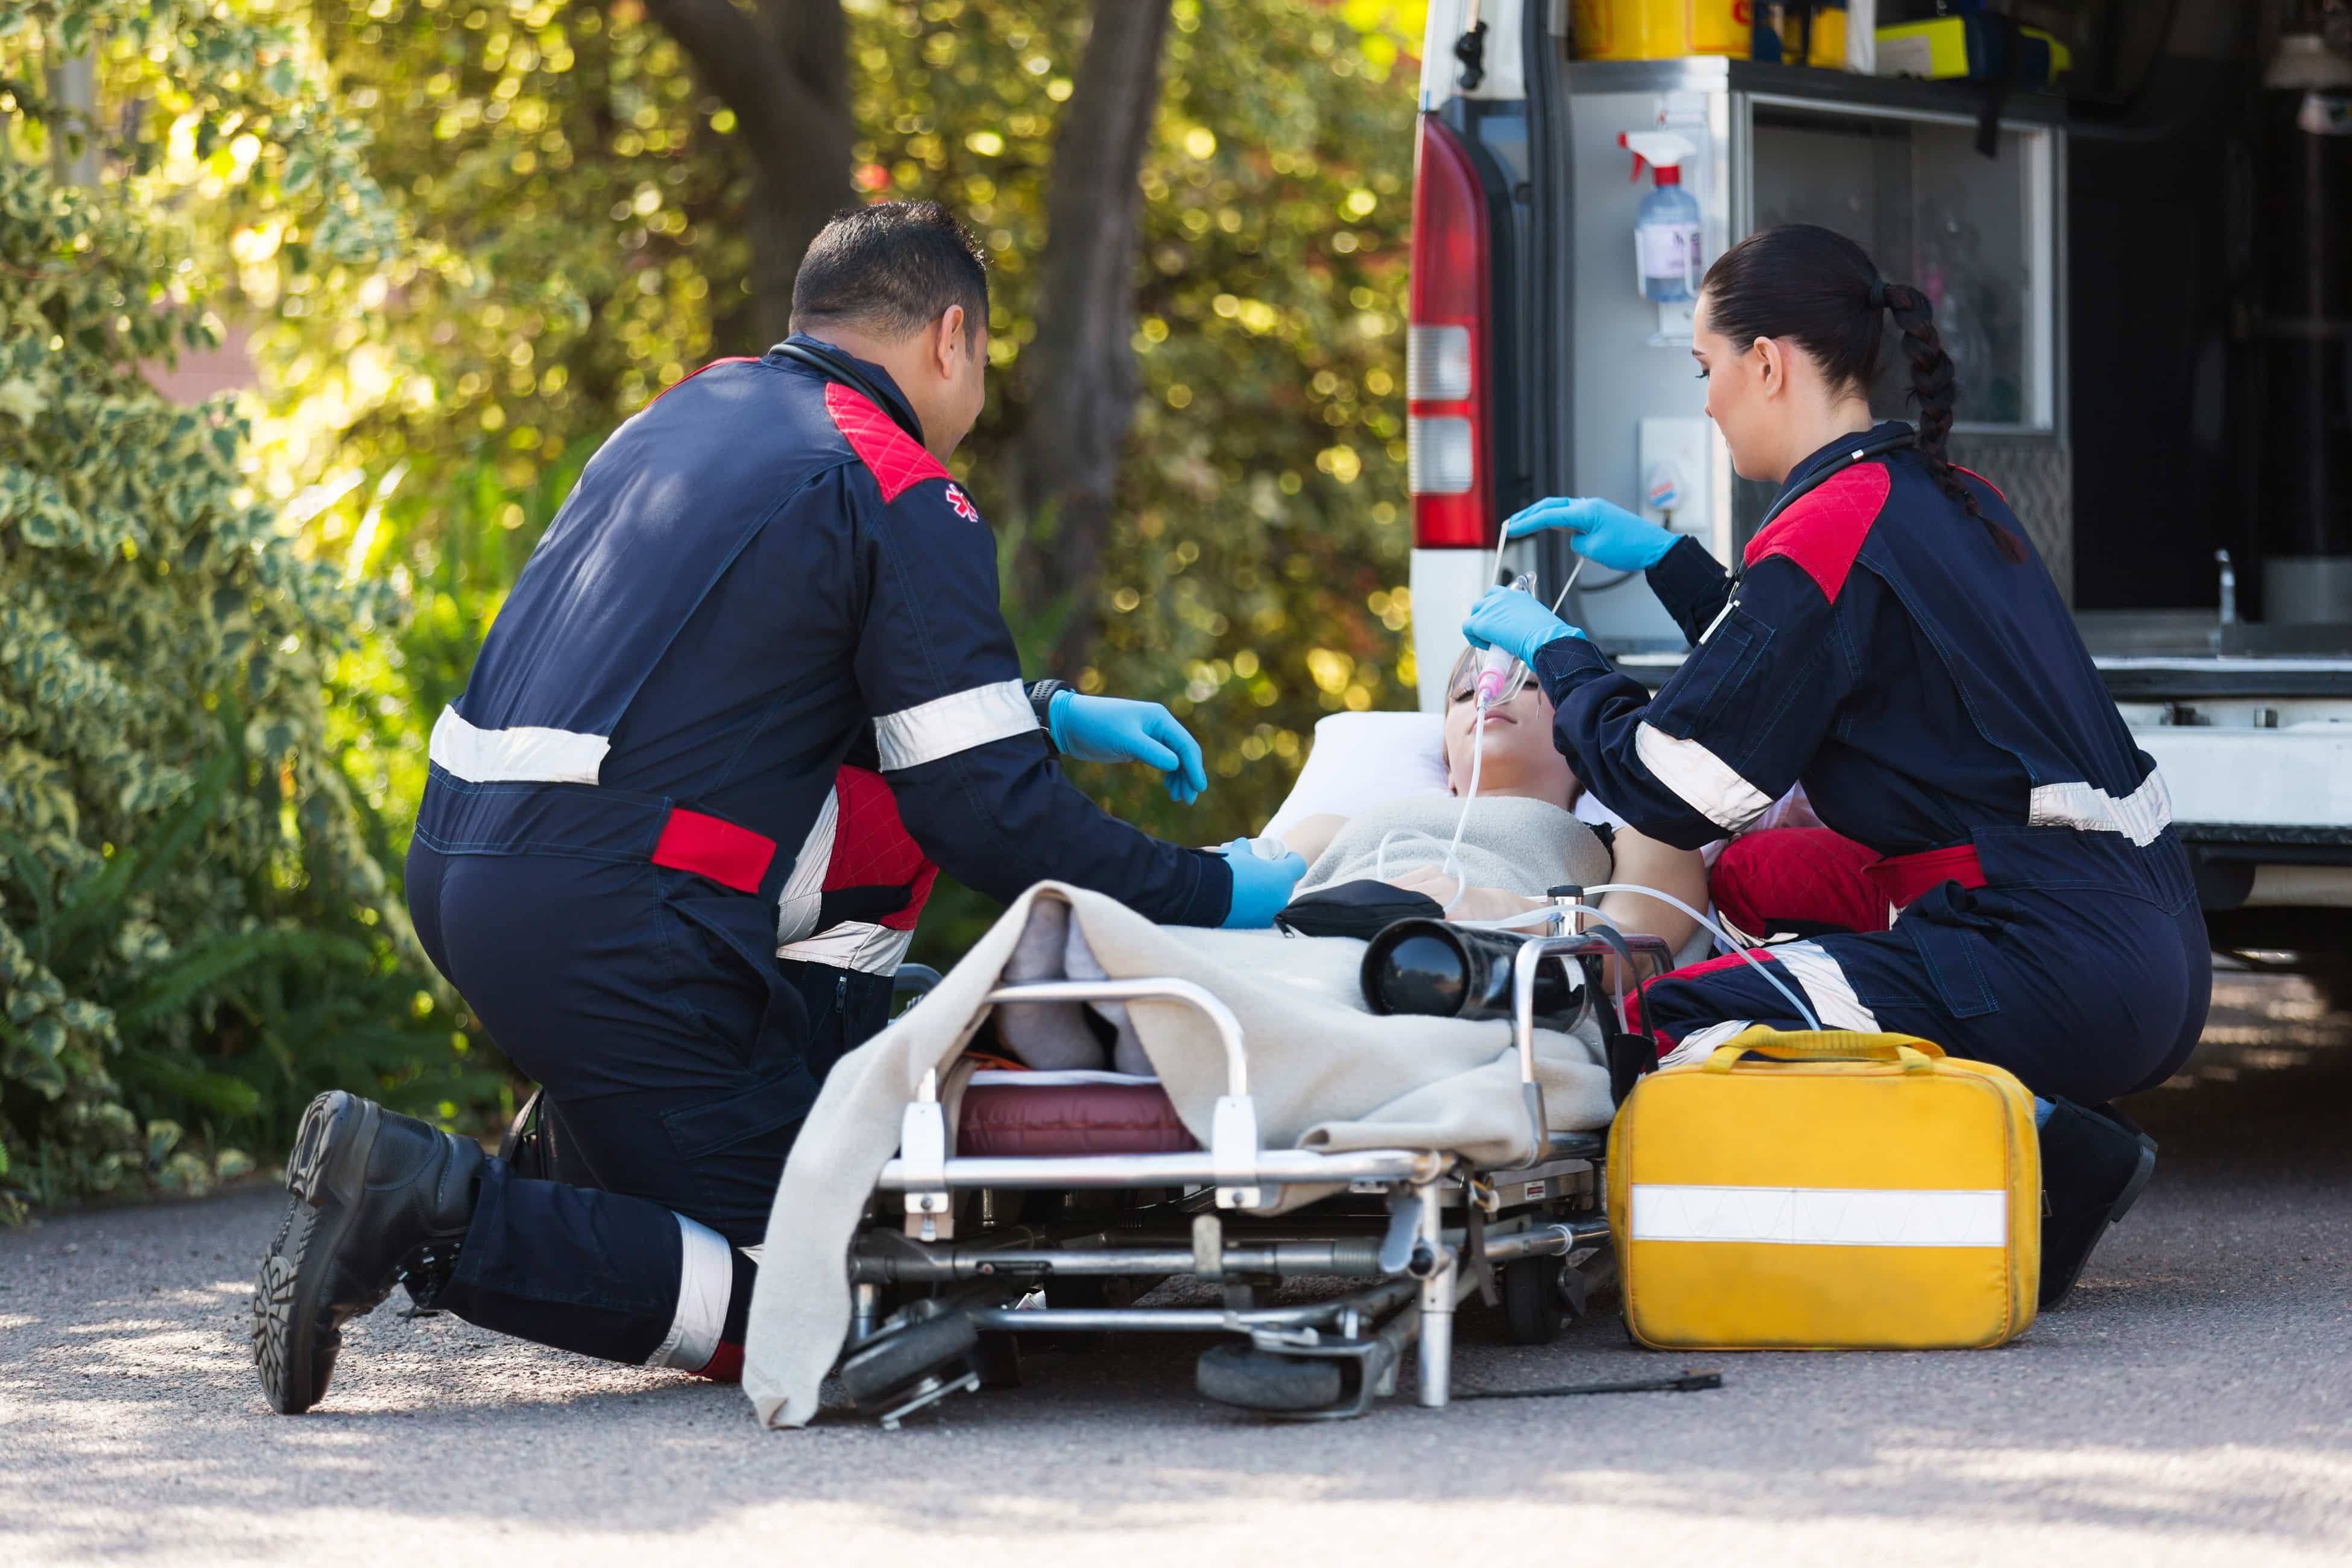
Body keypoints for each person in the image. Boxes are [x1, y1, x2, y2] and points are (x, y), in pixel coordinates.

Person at [250, 201, 1307, 1414]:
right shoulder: (902, 487)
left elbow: (753, 681)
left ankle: (592, 1147)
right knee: (864, 1299)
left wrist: (1045, 709)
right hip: (612, 921)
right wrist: (1220, 889)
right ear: (951, 337)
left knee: (835, 958)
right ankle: (431, 1209)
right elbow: (991, 820)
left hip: (476, 869)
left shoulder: (693, 414)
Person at [1459, 224, 2210, 1306]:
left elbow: (1675, 785)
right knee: (1765, 884)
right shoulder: (1948, 495)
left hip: (2055, 962)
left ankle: (2038, 1151)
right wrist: (1672, 564)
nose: (1709, 400)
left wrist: (1560, 656)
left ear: (1767, 363)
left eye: (1707, 369)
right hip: (2146, 944)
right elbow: (1813, 655)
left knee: (1679, 1020)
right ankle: (2045, 1139)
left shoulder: (1830, 524)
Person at [1280, 643, 1709, 951]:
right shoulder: (1328, 829)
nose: (1493, 694)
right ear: (1447, 769)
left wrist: (1506, 911)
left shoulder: (1642, 840)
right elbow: (1230, 893)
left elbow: (1635, 952)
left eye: (1528, 685)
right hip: (1295, 962)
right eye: (1465, 695)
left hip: (1463, 980)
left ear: (1583, 747)